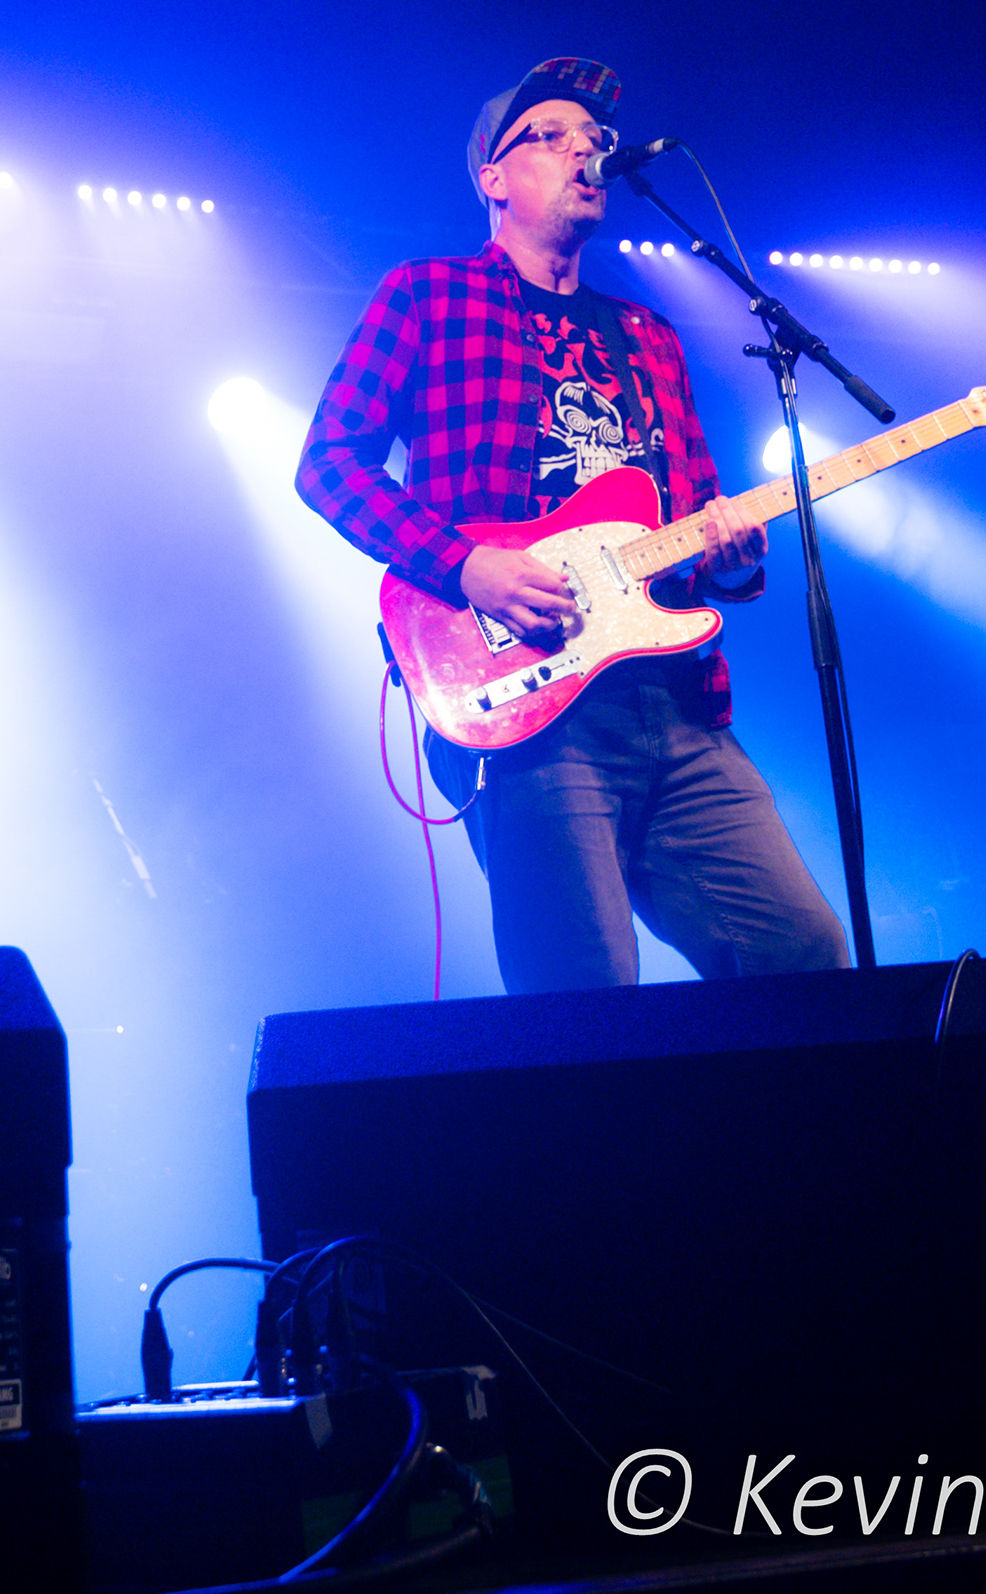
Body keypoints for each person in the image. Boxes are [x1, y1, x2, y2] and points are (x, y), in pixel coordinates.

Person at [296, 55, 848, 992]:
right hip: (525, 706)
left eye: (593, 138)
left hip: (674, 705)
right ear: (494, 177)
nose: (584, 151)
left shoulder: (648, 336)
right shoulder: (429, 295)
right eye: (549, 137)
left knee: (804, 958)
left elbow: (696, 514)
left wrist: (726, 557)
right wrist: (466, 565)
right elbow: (329, 464)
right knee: (585, 1001)